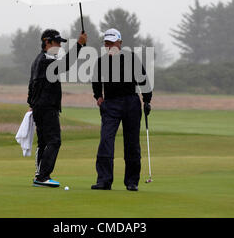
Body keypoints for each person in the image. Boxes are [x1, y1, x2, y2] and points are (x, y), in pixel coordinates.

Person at [91, 28, 152, 191]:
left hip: (131, 102)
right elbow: (96, 82)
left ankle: (132, 181)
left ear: (120, 43)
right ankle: (104, 180)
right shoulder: (101, 61)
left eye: (112, 43)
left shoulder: (131, 58)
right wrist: (98, 97)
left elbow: (144, 81)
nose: (109, 46)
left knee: (132, 143)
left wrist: (147, 101)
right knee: (106, 140)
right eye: (106, 43)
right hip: (110, 103)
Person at [27, 29, 87, 187]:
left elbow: (32, 85)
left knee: (43, 142)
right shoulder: (46, 60)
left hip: (40, 106)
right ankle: (42, 176)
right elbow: (65, 64)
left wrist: (31, 104)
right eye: (57, 42)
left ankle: (40, 174)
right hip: (46, 107)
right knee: (54, 141)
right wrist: (79, 45)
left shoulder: (38, 60)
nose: (60, 46)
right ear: (47, 42)